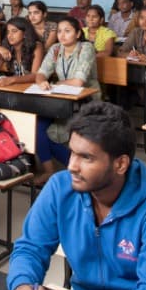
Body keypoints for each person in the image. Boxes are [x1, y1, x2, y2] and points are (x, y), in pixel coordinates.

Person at [0, 102, 146, 290]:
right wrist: (22, 286)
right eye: (72, 152)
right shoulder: (60, 188)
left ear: (120, 164)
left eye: (87, 158)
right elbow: (30, 248)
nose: (71, 166)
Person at [33, 17, 102, 175]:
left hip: (87, 100)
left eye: (67, 31)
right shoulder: (56, 49)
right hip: (60, 99)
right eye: (59, 31)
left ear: (78, 34)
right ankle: (49, 172)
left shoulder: (86, 48)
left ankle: (79, 168)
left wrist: (55, 84)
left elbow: (79, 82)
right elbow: (41, 73)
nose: (62, 35)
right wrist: (42, 82)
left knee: (61, 134)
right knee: (37, 127)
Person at [0, 17, 43, 81]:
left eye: (14, 31)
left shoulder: (36, 46)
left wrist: (11, 80)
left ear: (25, 33)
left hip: (31, 87)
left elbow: (35, 76)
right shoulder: (6, 47)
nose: (10, 35)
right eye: (8, 32)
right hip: (14, 86)